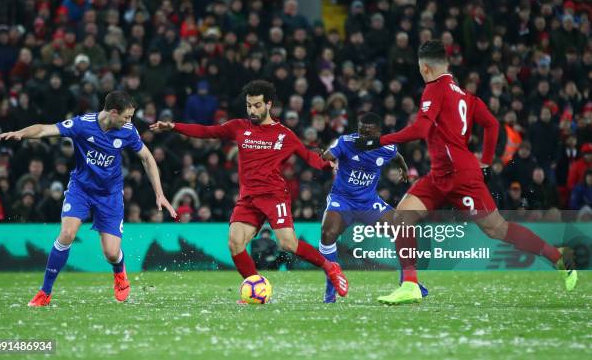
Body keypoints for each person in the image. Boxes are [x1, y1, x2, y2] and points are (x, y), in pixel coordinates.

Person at [356, 40, 577, 304]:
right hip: (442, 174)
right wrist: (485, 159)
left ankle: (557, 255)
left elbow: (419, 131)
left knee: (497, 229)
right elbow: (492, 125)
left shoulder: (434, 90)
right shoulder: (466, 96)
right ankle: (410, 284)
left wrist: (377, 141)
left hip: (460, 176)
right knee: (403, 217)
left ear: (425, 68)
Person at [150, 80, 349, 300]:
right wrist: (174, 126)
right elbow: (208, 131)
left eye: (256, 105)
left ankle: (331, 268)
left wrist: (330, 163)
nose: (252, 110)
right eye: (248, 105)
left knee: (287, 243)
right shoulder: (239, 127)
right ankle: (256, 288)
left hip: (274, 196)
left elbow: (310, 157)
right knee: (235, 243)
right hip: (249, 198)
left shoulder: (284, 135)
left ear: (268, 105)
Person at [0, 91, 176, 307]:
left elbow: (147, 158)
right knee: (67, 234)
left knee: (111, 253)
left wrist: (159, 192)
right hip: (80, 189)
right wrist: (21, 133)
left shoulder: (128, 132)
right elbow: (46, 129)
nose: (129, 121)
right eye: (127, 117)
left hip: (110, 195)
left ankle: (120, 272)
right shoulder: (83, 124)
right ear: (113, 112)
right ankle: (45, 292)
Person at [320, 112, 428, 303]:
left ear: (379, 132)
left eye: (368, 133)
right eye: (361, 131)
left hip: (369, 203)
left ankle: (409, 282)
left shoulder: (386, 147)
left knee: (403, 230)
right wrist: (327, 158)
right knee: (327, 234)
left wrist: (403, 168)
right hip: (343, 200)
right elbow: (327, 155)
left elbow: (397, 156)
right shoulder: (346, 142)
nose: (363, 136)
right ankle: (332, 284)